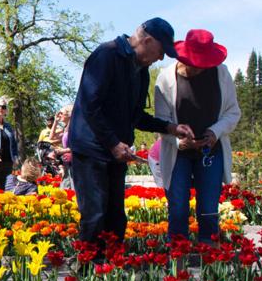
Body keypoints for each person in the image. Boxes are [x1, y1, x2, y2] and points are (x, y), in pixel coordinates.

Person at [68, 18, 195, 253]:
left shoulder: (140, 70)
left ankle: (111, 270)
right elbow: (89, 105)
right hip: (91, 149)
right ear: (147, 40)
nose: (161, 58)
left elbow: (135, 115)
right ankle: (87, 272)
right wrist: (113, 143)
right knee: (95, 214)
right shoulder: (107, 55)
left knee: (116, 217)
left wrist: (170, 128)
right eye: (160, 51)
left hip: (116, 151)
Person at [153, 29, 242, 244]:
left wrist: (215, 131)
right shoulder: (165, 79)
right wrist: (179, 141)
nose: (201, 67)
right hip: (178, 153)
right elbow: (161, 122)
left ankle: (208, 253)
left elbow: (233, 112)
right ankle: (177, 255)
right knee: (178, 206)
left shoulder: (221, 74)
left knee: (209, 208)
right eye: (197, 63)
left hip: (210, 150)